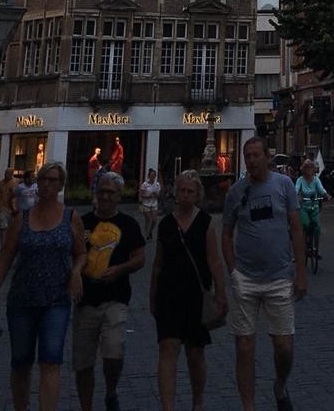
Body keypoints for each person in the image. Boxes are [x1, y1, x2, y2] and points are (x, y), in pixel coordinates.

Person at [0, 160, 86, 411]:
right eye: (43, 179)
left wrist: (76, 272)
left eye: (52, 180)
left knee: (51, 361)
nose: (46, 184)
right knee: (20, 362)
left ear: (61, 184)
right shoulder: (22, 218)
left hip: (56, 300)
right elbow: (6, 256)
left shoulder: (71, 218)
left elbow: (81, 252)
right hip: (22, 299)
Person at [222, 136, 306, 411]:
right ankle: (249, 406)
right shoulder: (236, 191)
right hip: (245, 277)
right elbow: (226, 232)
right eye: (248, 156)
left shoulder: (283, 185)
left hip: (279, 276)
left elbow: (296, 228)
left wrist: (301, 273)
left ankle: (280, 385)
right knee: (244, 345)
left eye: (257, 155)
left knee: (283, 347)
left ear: (267, 157)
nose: (252, 160)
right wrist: (232, 270)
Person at [152, 169, 227, 411]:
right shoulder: (165, 224)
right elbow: (158, 262)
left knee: (195, 353)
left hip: (195, 295)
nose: (185, 195)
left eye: (190, 192)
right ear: (175, 192)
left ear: (197, 195)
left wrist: (220, 292)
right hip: (169, 293)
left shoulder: (205, 223)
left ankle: (198, 403)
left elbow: (214, 260)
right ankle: (168, 407)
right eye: (181, 191)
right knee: (168, 346)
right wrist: (152, 293)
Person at [74, 171, 146, 411]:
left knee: (113, 351)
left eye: (110, 192)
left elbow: (140, 258)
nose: (105, 196)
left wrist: (120, 269)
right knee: (83, 361)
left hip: (115, 298)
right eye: (102, 191)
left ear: (119, 196)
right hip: (85, 300)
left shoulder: (129, 224)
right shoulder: (82, 223)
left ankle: (111, 392)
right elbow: (70, 255)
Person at [295, 160, 328, 262]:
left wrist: (326, 195)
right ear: (303, 170)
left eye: (310, 168)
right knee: (305, 224)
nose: (309, 170)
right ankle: (303, 246)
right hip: (304, 206)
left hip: (314, 206)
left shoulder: (316, 180)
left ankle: (315, 248)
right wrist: (296, 197)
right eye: (307, 168)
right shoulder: (300, 180)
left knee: (317, 226)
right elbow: (296, 189)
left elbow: (321, 189)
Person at [140, 168, 163, 239]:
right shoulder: (145, 184)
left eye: (154, 175)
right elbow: (141, 195)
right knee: (148, 219)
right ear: (149, 176)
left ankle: (150, 231)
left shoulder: (157, 184)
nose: (153, 177)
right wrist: (148, 196)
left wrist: (156, 194)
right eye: (151, 175)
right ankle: (146, 234)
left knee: (154, 220)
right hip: (146, 204)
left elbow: (159, 195)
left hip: (154, 204)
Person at [0, 168, 17, 236]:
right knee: (3, 228)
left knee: (12, 229)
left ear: (12, 174)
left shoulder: (16, 182)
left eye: (8, 174)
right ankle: (3, 245)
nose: (6, 175)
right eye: (5, 173)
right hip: (3, 208)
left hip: (13, 209)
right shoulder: (1, 183)